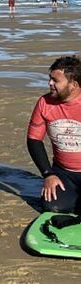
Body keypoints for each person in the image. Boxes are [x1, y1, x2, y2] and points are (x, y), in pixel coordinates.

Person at [27, 56, 81, 212]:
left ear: (73, 85)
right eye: (50, 79)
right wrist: (48, 174)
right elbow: (34, 140)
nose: (50, 83)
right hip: (63, 173)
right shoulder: (45, 103)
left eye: (55, 80)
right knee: (53, 207)